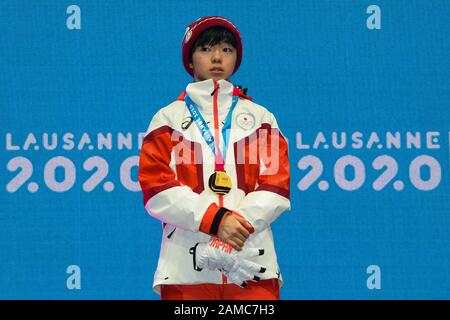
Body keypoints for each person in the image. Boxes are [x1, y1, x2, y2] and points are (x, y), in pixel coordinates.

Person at [138, 16, 290, 300]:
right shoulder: (167, 119)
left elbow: (276, 186)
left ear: (236, 60)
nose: (217, 57)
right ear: (190, 61)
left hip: (252, 263)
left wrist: (235, 227)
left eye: (227, 50)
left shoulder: (262, 119)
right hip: (185, 268)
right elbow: (156, 189)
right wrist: (217, 220)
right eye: (206, 49)